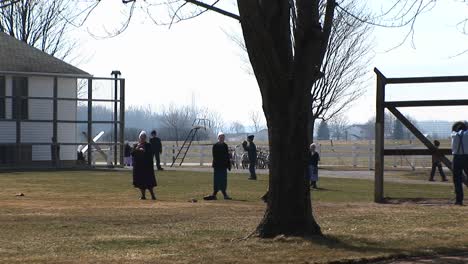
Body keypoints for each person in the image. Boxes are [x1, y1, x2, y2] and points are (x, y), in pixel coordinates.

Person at [204, 132, 232, 200]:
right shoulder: (215, 146)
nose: (222, 139)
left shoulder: (225, 145)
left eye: (223, 137)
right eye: (221, 137)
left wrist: (228, 164)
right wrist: (219, 163)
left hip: (223, 166)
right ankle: (214, 194)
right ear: (218, 138)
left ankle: (224, 194)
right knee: (217, 180)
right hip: (217, 166)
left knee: (223, 180)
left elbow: (227, 156)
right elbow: (215, 156)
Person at [132, 131, 157, 200]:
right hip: (138, 167)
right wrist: (137, 148)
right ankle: (143, 196)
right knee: (140, 182)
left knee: (149, 182)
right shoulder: (135, 145)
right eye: (141, 137)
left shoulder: (148, 145)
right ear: (139, 138)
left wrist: (144, 151)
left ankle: (153, 195)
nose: (142, 139)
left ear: (145, 138)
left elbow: (150, 154)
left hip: (146, 167)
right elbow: (132, 154)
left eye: (143, 138)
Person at [451, 121, 468, 206]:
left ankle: (459, 200)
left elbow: (453, 129)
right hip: (467, 157)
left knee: (457, 180)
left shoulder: (453, 135)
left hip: (457, 157)